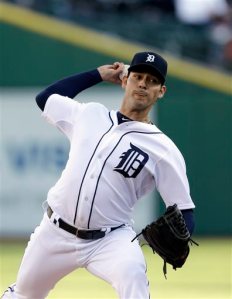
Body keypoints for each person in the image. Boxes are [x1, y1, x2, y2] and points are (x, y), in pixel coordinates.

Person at [1, 51, 195, 299]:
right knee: (23, 295)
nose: (144, 83)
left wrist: (183, 239)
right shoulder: (90, 114)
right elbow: (46, 98)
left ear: (161, 91)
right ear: (125, 80)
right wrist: (98, 74)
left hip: (110, 239)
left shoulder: (164, 149)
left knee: (133, 278)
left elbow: (185, 209)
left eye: (152, 80)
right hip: (54, 232)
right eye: (138, 76)